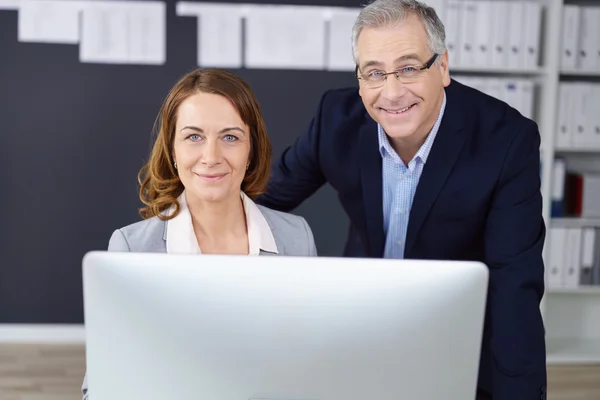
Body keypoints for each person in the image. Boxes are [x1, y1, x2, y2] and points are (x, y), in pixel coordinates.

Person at [255, 0, 547, 399]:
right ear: (360, 80)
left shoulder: (506, 140)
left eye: (409, 68)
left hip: (456, 339)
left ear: (442, 66)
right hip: (361, 327)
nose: (391, 93)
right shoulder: (335, 119)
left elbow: (515, 285)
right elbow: (264, 200)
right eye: (374, 73)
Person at [81, 68, 317, 399]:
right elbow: (100, 388)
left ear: (252, 150)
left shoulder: (296, 237)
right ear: (173, 150)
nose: (211, 156)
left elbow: (310, 370)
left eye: (230, 137)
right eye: (194, 137)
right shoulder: (132, 248)